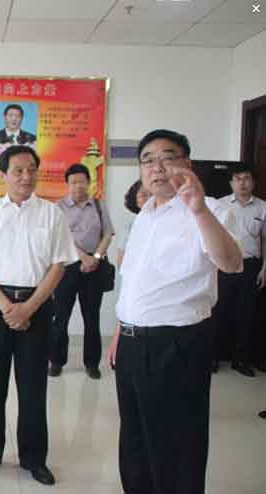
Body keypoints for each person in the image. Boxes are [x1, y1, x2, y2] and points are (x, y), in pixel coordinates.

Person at [107, 129, 241, 494]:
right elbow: (133, 284)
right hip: (132, 342)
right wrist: (120, 332)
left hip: (177, 344)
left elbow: (231, 263)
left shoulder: (213, 209)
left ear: (187, 164)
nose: (157, 167)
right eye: (147, 160)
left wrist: (198, 210)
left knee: (177, 446)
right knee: (135, 440)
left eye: (168, 157)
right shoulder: (145, 215)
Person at [0, 145, 77, 486]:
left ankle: (34, 458)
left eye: (31, 170)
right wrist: (7, 307)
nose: (26, 176)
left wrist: (29, 306)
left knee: (33, 388)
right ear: (3, 175)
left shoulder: (52, 214)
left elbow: (58, 266)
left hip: (36, 308)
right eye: (18, 170)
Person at [49, 164, 114, 380]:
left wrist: (96, 257)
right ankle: (56, 361)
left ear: (89, 182)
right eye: (73, 182)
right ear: (67, 185)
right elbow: (60, 238)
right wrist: (83, 257)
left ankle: (92, 363)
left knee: (91, 317)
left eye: (82, 181)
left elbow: (107, 234)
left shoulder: (98, 205)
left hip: (94, 268)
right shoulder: (58, 208)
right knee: (61, 316)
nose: (78, 186)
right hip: (66, 268)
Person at [211, 164, 266, 376]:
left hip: (251, 266)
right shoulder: (219, 205)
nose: (242, 183)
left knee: (246, 315)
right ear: (231, 183)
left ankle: (240, 360)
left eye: (246, 178)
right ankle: (212, 358)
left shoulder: (262, 207)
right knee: (217, 312)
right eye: (237, 178)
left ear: (253, 182)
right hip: (223, 265)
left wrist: (264, 269)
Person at [117, 180, 151, 268]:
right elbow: (121, 260)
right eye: (143, 195)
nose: (149, 199)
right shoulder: (130, 225)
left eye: (152, 195)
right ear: (135, 200)